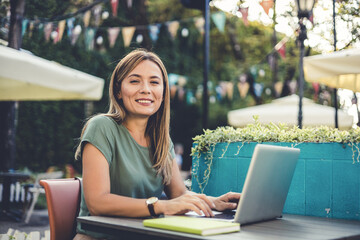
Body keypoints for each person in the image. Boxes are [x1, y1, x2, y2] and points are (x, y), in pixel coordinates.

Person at [73, 49, 240, 240]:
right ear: (118, 91)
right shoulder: (101, 127)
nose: (146, 89)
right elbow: (97, 203)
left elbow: (179, 195)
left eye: (154, 82)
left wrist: (213, 202)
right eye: (135, 81)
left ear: (163, 92)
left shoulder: (161, 140)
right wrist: (160, 206)